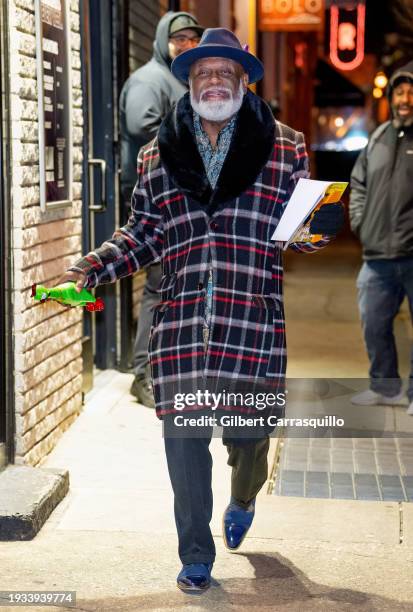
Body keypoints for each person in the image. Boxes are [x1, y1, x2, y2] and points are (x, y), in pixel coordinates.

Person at [59, 29, 344, 593]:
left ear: (243, 80)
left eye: (225, 72)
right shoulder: (156, 154)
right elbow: (144, 234)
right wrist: (90, 267)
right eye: (202, 73)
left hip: (250, 322)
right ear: (189, 83)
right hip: (184, 324)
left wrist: (318, 230)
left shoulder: (283, 146)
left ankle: (243, 496)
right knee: (184, 445)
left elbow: (300, 231)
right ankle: (195, 554)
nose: (214, 81)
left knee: (248, 440)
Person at [119, 11, 204, 408]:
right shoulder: (149, 79)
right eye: (179, 38)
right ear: (162, 40)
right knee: (158, 288)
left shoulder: (179, 80)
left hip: (180, 197)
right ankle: (143, 377)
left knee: (171, 287)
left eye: (192, 38)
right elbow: (141, 125)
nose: (186, 44)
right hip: (155, 201)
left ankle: (164, 370)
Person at [349, 61, 413, 414]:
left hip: (411, 252)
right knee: (373, 323)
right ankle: (386, 387)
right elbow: (358, 183)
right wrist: (360, 221)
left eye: (410, 92)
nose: (406, 98)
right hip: (376, 254)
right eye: (400, 92)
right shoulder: (377, 138)